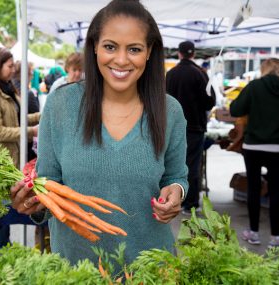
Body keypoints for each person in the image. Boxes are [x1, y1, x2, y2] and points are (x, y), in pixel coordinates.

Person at [10, 0, 188, 266]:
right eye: (110, 46)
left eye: (135, 49)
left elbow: (177, 176)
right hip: (76, 268)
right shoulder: (61, 105)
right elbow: (48, 183)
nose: (121, 59)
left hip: (150, 268)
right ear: (94, 46)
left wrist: (175, 193)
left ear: (149, 51)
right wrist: (33, 203)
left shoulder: (169, 111)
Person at [0, 47, 40, 248]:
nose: (13, 70)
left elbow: (19, 119)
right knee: (3, 213)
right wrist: (32, 131)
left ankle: (7, 249)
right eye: (10, 65)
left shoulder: (8, 89)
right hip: (0, 162)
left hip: (14, 159)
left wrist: (42, 116)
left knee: (10, 206)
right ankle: (3, 250)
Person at [230, 58, 279, 248]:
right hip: (278, 147)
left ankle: (254, 233)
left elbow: (235, 109)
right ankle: (275, 237)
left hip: (254, 146)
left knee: (254, 189)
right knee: (275, 191)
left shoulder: (254, 86)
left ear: (263, 69)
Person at [166, 40, 216, 214]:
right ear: (193, 54)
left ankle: (171, 200)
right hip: (194, 127)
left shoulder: (170, 74)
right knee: (192, 165)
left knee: (171, 164)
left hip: (171, 128)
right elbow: (210, 102)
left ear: (179, 54)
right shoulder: (201, 74)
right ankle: (190, 203)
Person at [12, 61, 40, 161]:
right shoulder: (28, 94)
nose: (32, 76)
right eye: (31, 72)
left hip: (16, 141)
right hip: (26, 140)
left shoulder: (11, 91)